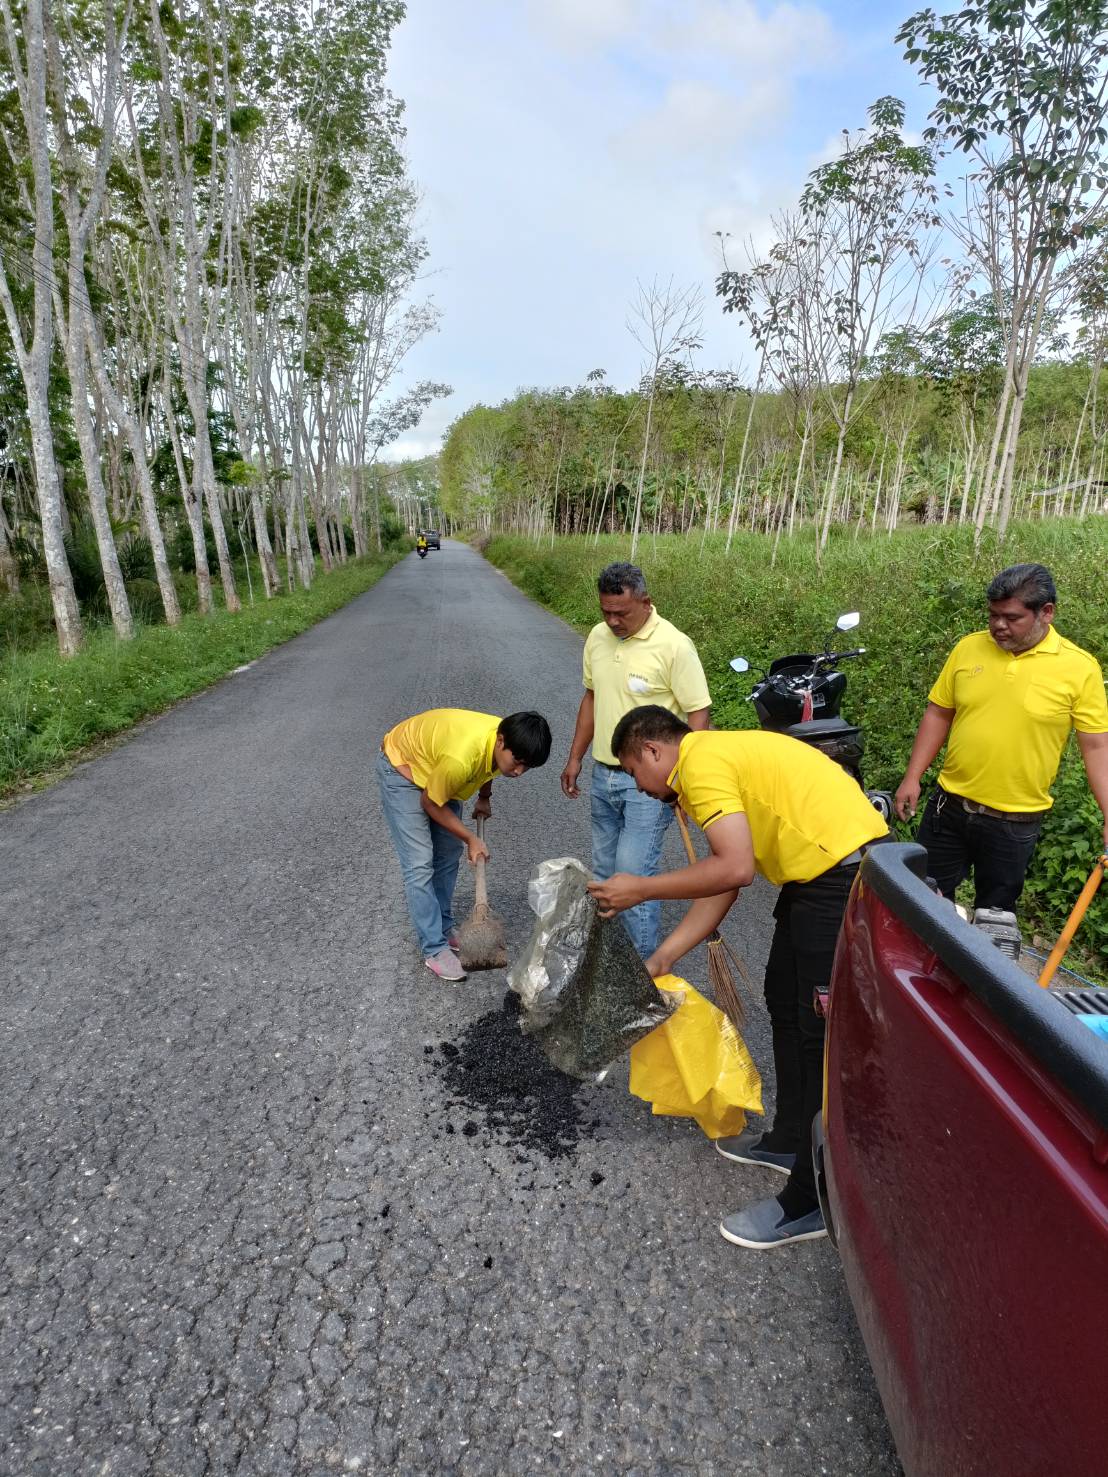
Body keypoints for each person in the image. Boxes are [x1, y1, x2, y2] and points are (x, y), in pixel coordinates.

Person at [587, 707, 888, 1251]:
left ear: (653, 751)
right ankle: (791, 1139)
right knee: (782, 995)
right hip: (816, 877)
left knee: (820, 1036)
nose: (640, 785)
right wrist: (664, 956)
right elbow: (725, 877)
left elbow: (734, 869)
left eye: (634, 771)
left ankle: (812, 1201)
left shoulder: (698, 765)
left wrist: (642, 888)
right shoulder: (713, 757)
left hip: (842, 877)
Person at [895, 563, 1108, 914]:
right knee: (919, 905)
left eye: (1011, 618)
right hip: (948, 807)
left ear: (1047, 613)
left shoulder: (1079, 669)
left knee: (994, 921)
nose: (998, 626)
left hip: (1014, 824)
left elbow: (1097, 747)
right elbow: (939, 712)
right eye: (993, 615)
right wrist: (913, 776)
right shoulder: (969, 649)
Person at [560, 562, 711, 958]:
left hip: (649, 784)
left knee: (634, 876)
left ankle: (644, 972)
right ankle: (614, 962)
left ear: (646, 602)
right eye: (605, 612)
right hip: (602, 774)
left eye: (621, 613)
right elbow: (592, 699)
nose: (612, 621)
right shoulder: (596, 637)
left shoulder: (675, 645)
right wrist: (575, 756)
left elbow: (698, 713)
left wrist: (687, 777)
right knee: (606, 874)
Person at [376, 709, 552, 980]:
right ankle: (434, 948)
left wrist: (484, 796)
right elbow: (430, 803)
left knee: (448, 855)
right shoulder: (462, 758)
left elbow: (488, 766)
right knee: (420, 863)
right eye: (517, 762)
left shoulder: (502, 739)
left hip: (442, 773)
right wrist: (471, 838)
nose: (518, 772)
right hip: (404, 767)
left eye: (527, 767)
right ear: (501, 741)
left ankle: (444, 929)